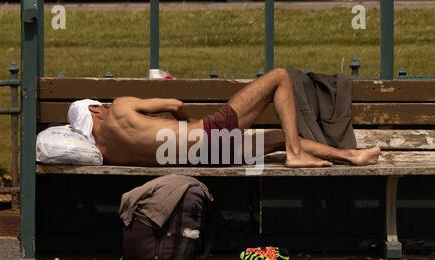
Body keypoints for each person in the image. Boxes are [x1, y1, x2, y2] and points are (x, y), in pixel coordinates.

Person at [67, 68, 380, 167]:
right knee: (280, 77)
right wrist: (182, 121)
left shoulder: (107, 153)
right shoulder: (119, 107)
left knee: (274, 138)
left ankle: (350, 156)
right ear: (95, 110)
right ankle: (296, 155)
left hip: (205, 158)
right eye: (100, 105)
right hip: (207, 136)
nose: (105, 107)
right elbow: (175, 103)